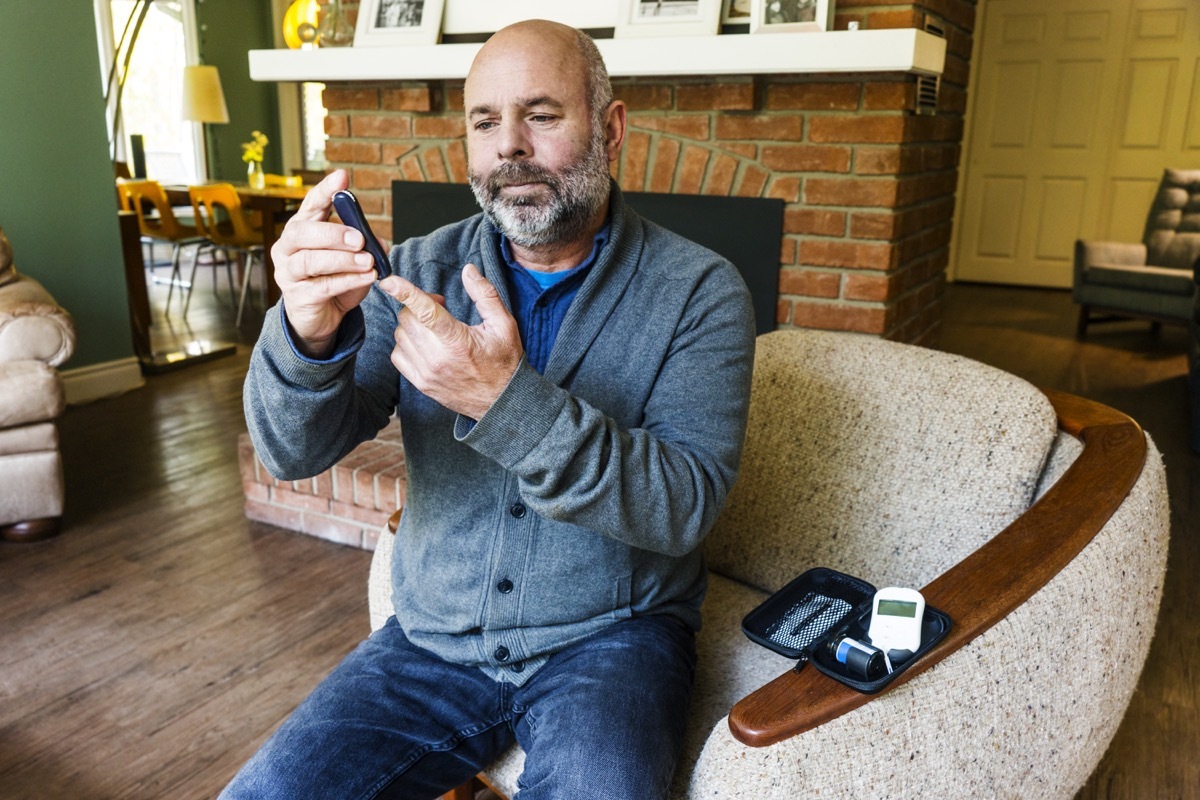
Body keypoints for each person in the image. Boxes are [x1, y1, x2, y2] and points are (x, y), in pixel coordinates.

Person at [224, 18, 755, 800]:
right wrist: (306, 335)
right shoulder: (414, 273)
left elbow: (683, 506)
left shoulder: (701, 292)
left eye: (541, 114)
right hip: (431, 641)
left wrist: (506, 404)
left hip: (613, 639)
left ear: (610, 130)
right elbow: (290, 452)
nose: (509, 144)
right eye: (484, 122)